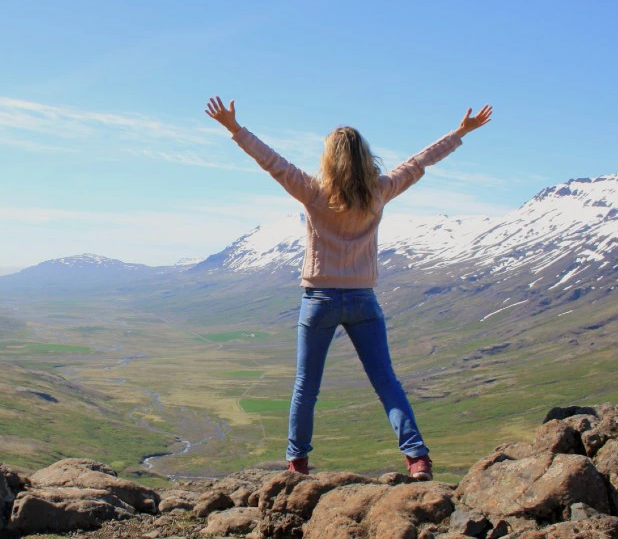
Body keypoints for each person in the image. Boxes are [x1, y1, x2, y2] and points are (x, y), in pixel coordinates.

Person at [204, 96, 492, 480]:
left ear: (329, 159)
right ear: (363, 157)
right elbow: (420, 162)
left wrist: (235, 129)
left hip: (319, 300)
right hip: (363, 301)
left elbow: (271, 162)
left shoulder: (312, 191)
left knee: (307, 386)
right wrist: (459, 133)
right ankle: (417, 457)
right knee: (386, 381)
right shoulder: (380, 190)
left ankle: (297, 462)